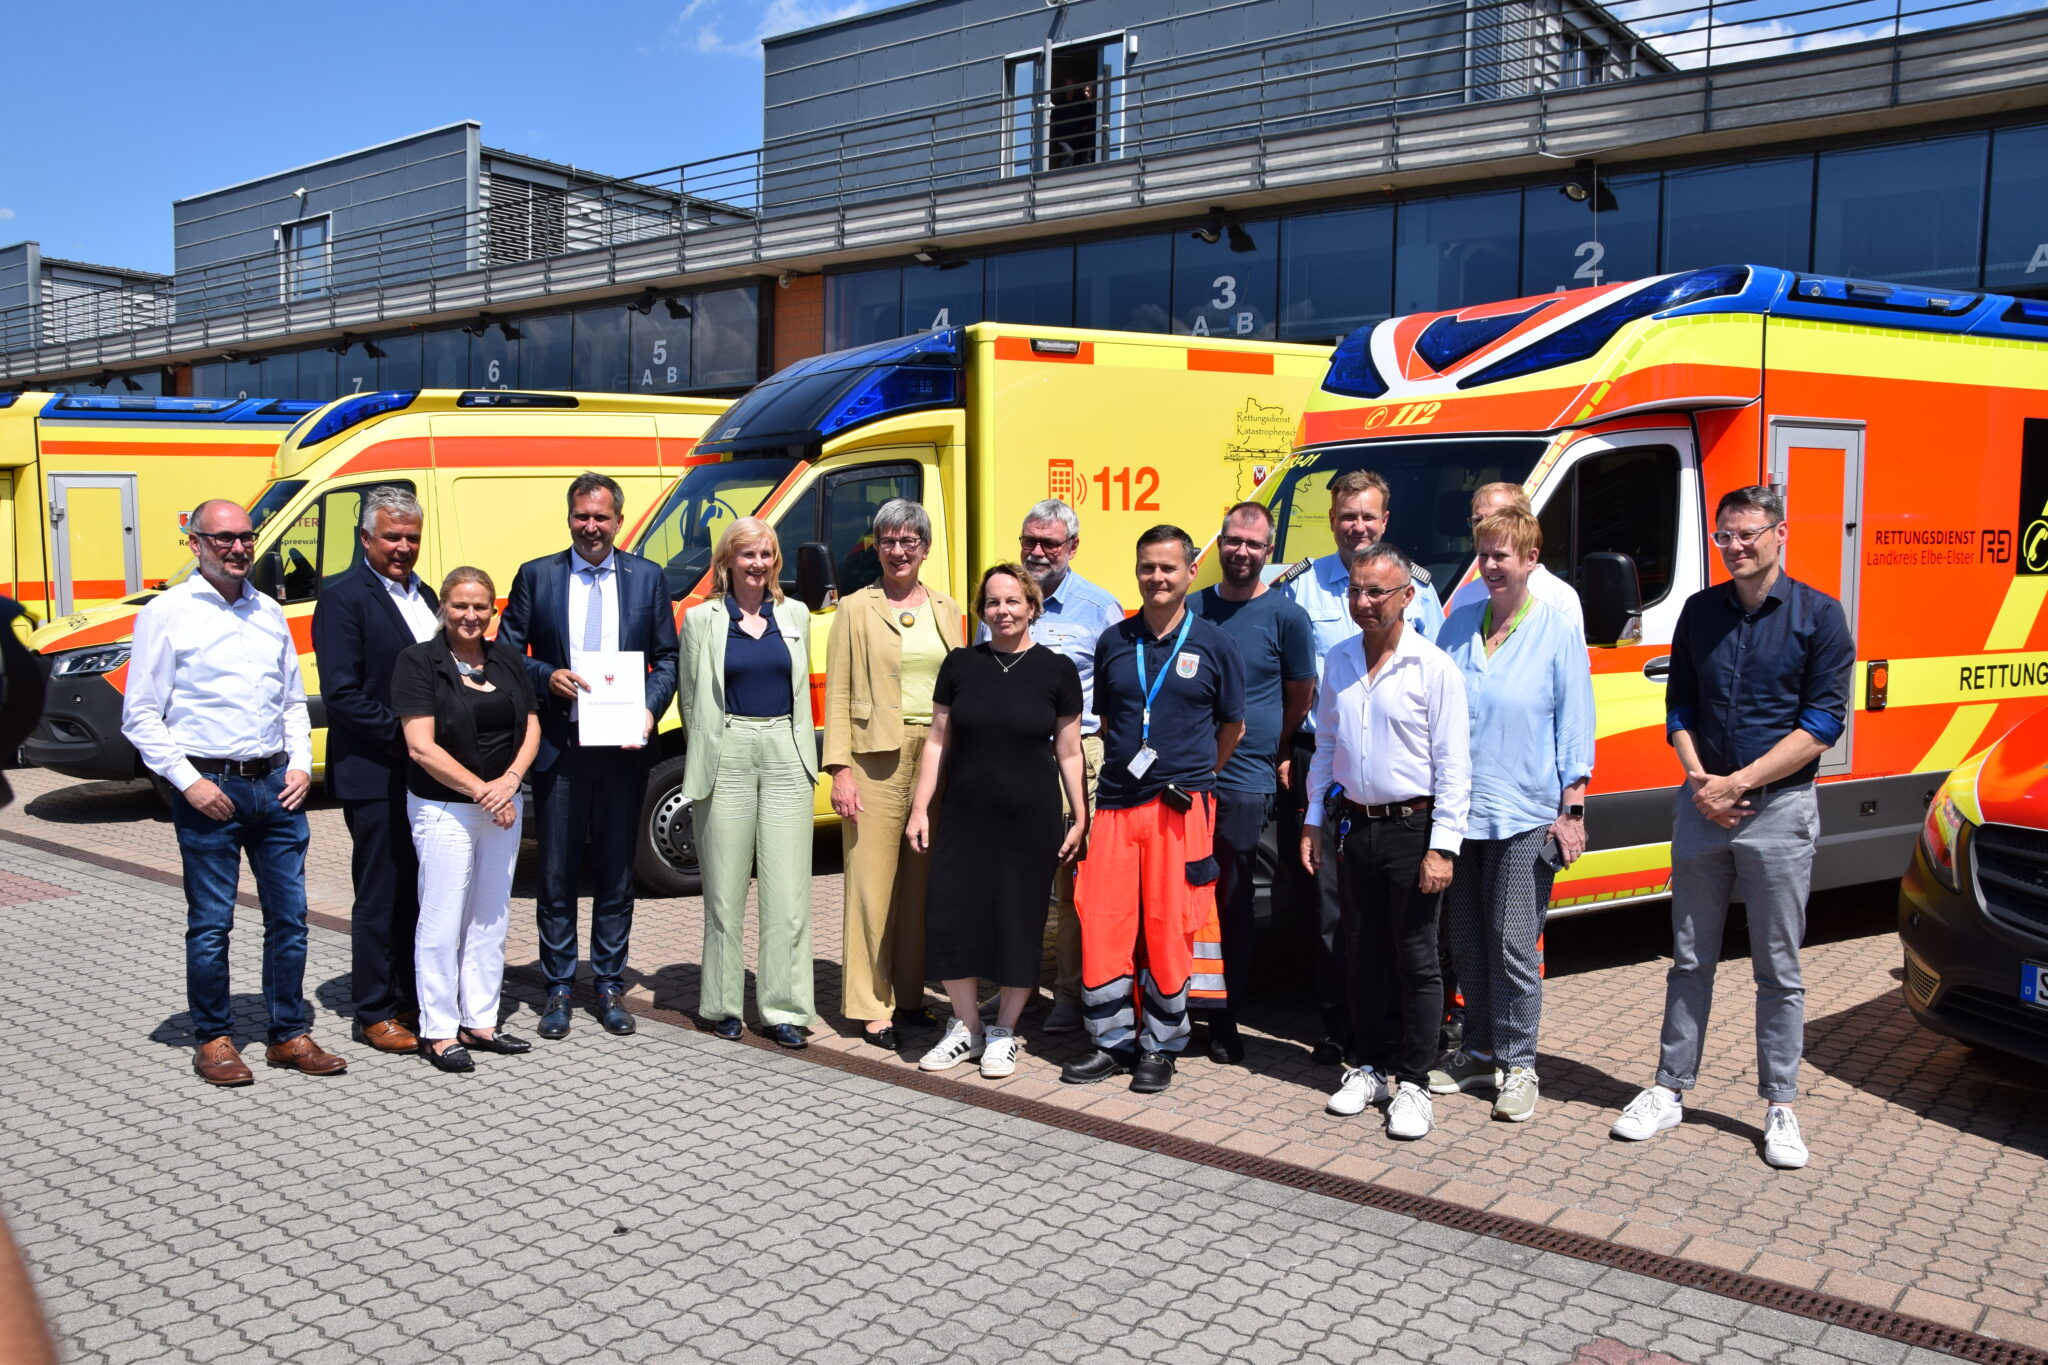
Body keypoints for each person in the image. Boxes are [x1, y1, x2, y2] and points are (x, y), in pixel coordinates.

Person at [1611, 486, 1852, 1170]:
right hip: (1702, 808)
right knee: (1690, 959)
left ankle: (1780, 1103)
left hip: (1777, 811)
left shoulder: (1820, 617)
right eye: (1726, 536)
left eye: (1748, 534)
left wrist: (1739, 783)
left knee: (1779, 967)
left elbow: (1822, 727)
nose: (1736, 546)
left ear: (1781, 532)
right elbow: (1679, 704)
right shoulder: (1698, 612)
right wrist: (1700, 783)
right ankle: (1668, 1087)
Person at [121, 498, 346, 1085]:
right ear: (194, 543)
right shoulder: (166, 613)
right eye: (223, 538)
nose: (238, 547)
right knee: (212, 923)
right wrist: (189, 783)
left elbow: (292, 702)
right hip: (209, 789)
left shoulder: (269, 611)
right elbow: (141, 715)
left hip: (276, 789)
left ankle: (288, 1034)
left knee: (291, 921)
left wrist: (299, 764)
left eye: (246, 537)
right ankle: (214, 1038)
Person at [1064, 525, 1244, 1095]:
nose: (1157, 578)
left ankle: (1161, 1047)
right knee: (1105, 923)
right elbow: (1116, 720)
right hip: (1117, 803)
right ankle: (1111, 1042)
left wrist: (1195, 775)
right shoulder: (1115, 640)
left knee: (1170, 928)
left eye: (1168, 568)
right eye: (1148, 568)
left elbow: (1232, 726)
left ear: (1192, 572)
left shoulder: (1214, 644)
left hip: (1181, 809)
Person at [499, 471, 680, 1041]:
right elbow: (507, 652)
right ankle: (556, 986)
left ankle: (607, 984)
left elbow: (667, 659)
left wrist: (649, 710)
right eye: (582, 516)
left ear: (619, 521)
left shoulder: (647, 578)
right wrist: (545, 674)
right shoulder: (538, 576)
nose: (591, 526)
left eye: (602, 517)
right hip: (562, 749)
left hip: (623, 752)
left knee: (614, 874)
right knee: (554, 874)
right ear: (569, 517)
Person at [1433, 508, 1594, 1123]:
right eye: (1485, 554)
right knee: (1467, 939)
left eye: (1504, 555)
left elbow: (1575, 722)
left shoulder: (1556, 630)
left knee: (1512, 942)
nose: (1492, 566)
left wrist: (1572, 810)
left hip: (1527, 811)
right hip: (1462, 813)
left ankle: (1520, 1064)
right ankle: (1477, 1050)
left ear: (1530, 560)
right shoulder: (1457, 628)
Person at [1304, 542, 1469, 1140]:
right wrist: (1312, 821)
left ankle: (1415, 1082)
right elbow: (1326, 747)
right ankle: (1369, 1066)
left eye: (1377, 592)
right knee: (1362, 952)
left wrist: (1442, 846)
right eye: (1355, 591)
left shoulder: (1433, 667)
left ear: (1406, 597)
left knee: (1418, 957)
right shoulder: (1340, 660)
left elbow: (1454, 766)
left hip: (1413, 828)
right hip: (1355, 826)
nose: (1364, 602)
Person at [1282, 469, 1441, 1065]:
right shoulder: (1300, 586)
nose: (1358, 526)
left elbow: (1436, 680)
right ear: (1332, 521)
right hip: (1325, 757)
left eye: (1368, 516)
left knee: (1405, 923)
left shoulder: (1415, 587)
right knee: (1333, 908)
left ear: (1385, 520)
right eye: (1348, 516)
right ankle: (1340, 1026)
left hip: (1403, 770)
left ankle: (1405, 1034)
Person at [909, 565, 1087, 1079]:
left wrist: (1079, 815)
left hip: (1028, 820)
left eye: (1013, 601)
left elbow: (1069, 751)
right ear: (981, 610)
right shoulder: (961, 664)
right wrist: (921, 808)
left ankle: (1005, 1031)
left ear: (1033, 606)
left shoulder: (1056, 670)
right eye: (992, 602)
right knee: (951, 917)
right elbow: (937, 741)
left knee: (1020, 920)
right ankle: (965, 1026)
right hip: (964, 816)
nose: (1002, 611)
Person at [824, 499, 964, 1050]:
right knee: (870, 885)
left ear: (925, 548)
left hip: (936, 755)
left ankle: (909, 997)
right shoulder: (856, 608)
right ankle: (869, 1004)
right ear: (875, 547)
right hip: (872, 759)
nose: (899, 551)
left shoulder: (949, 609)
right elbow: (836, 692)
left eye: (909, 541)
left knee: (919, 889)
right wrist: (839, 769)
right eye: (888, 541)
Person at [392, 567, 541, 1073]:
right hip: (446, 807)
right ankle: (436, 1029)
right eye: (460, 605)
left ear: (493, 610)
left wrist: (511, 781)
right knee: (441, 919)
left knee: (491, 915)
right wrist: (482, 791)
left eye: (481, 607)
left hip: (503, 805)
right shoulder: (418, 662)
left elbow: (533, 724)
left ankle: (479, 1019)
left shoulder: (506, 659)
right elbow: (420, 746)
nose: (471, 616)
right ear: (443, 609)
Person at [678, 519, 819, 1051]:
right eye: (747, 555)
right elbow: (692, 703)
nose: (757, 564)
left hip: (786, 749)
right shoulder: (700, 621)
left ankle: (783, 1007)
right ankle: (722, 1004)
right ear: (728, 562)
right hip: (727, 750)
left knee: (788, 893)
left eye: (766, 554)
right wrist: (711, 749)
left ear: (775, 561)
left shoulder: (796, 614)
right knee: (724, 891)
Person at [310, 486, 438, 1055]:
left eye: (411, 537)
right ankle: (374, 1010)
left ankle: (410, 996)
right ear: (366, 538)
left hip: (424, 775)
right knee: (380, 893)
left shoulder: (427, 594)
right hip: (376, 772)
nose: (403, 547)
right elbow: (341, 695)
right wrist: (410, 735)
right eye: (392, 536)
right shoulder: (342, 599)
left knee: (418, 891)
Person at [1188, 502, 1314, 1064]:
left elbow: (1299, 693)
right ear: (1219, 544)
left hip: (1245, 781)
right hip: (1188, 779)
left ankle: (1225, 1016)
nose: (1241, 551)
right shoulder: (1192, 608)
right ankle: (1181, 1009)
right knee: (1188, 897)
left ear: (1268, 552)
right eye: (1233, 540)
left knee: (1234, 900)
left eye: (1253, 544)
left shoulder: (1286, 615)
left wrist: (1275, 747)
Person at [993, 499, 1124, 1035]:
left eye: (1050, 543)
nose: (1038, 551)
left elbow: (1118, 700)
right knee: (1011, 884)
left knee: (1073, 890)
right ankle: (1010, 990)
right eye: (1030, 541)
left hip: (1077, 762)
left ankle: (1069, 993)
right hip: (1009, 762)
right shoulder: (1002, 602)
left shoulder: (1100, 609)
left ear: (1072, 547)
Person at [1443, 482, 1585, 636]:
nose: (1483, 528)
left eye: (1496, 519)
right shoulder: (1464, 595)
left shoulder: (1560, 597)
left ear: (1522, 521)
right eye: (1477, 521)